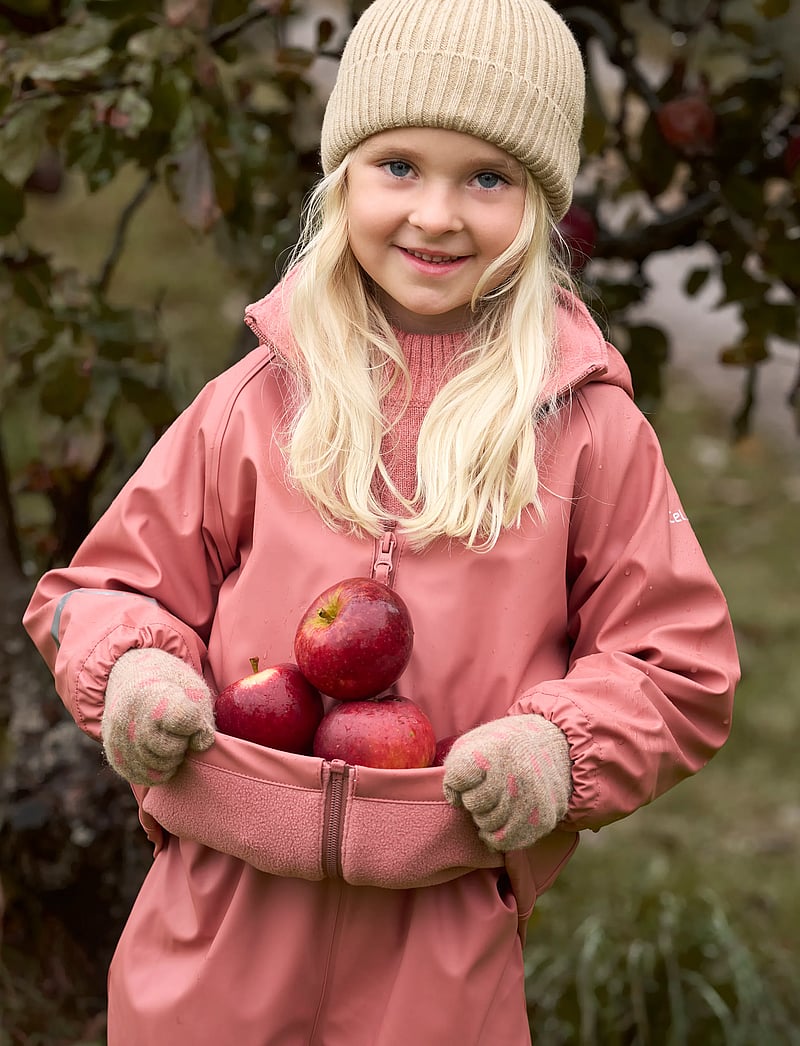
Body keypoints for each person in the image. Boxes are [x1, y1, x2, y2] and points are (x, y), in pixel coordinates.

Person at [23, 0, 740, 1042]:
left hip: (438, 932)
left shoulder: (587, 431)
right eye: (397, 165)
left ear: (540, 206)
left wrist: (556, 747)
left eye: (486, 177)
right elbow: (107, 588)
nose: (436, 214)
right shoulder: (258, 399)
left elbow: (677, 663)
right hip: (218, 911)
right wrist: (135, 667)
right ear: (342, 178)